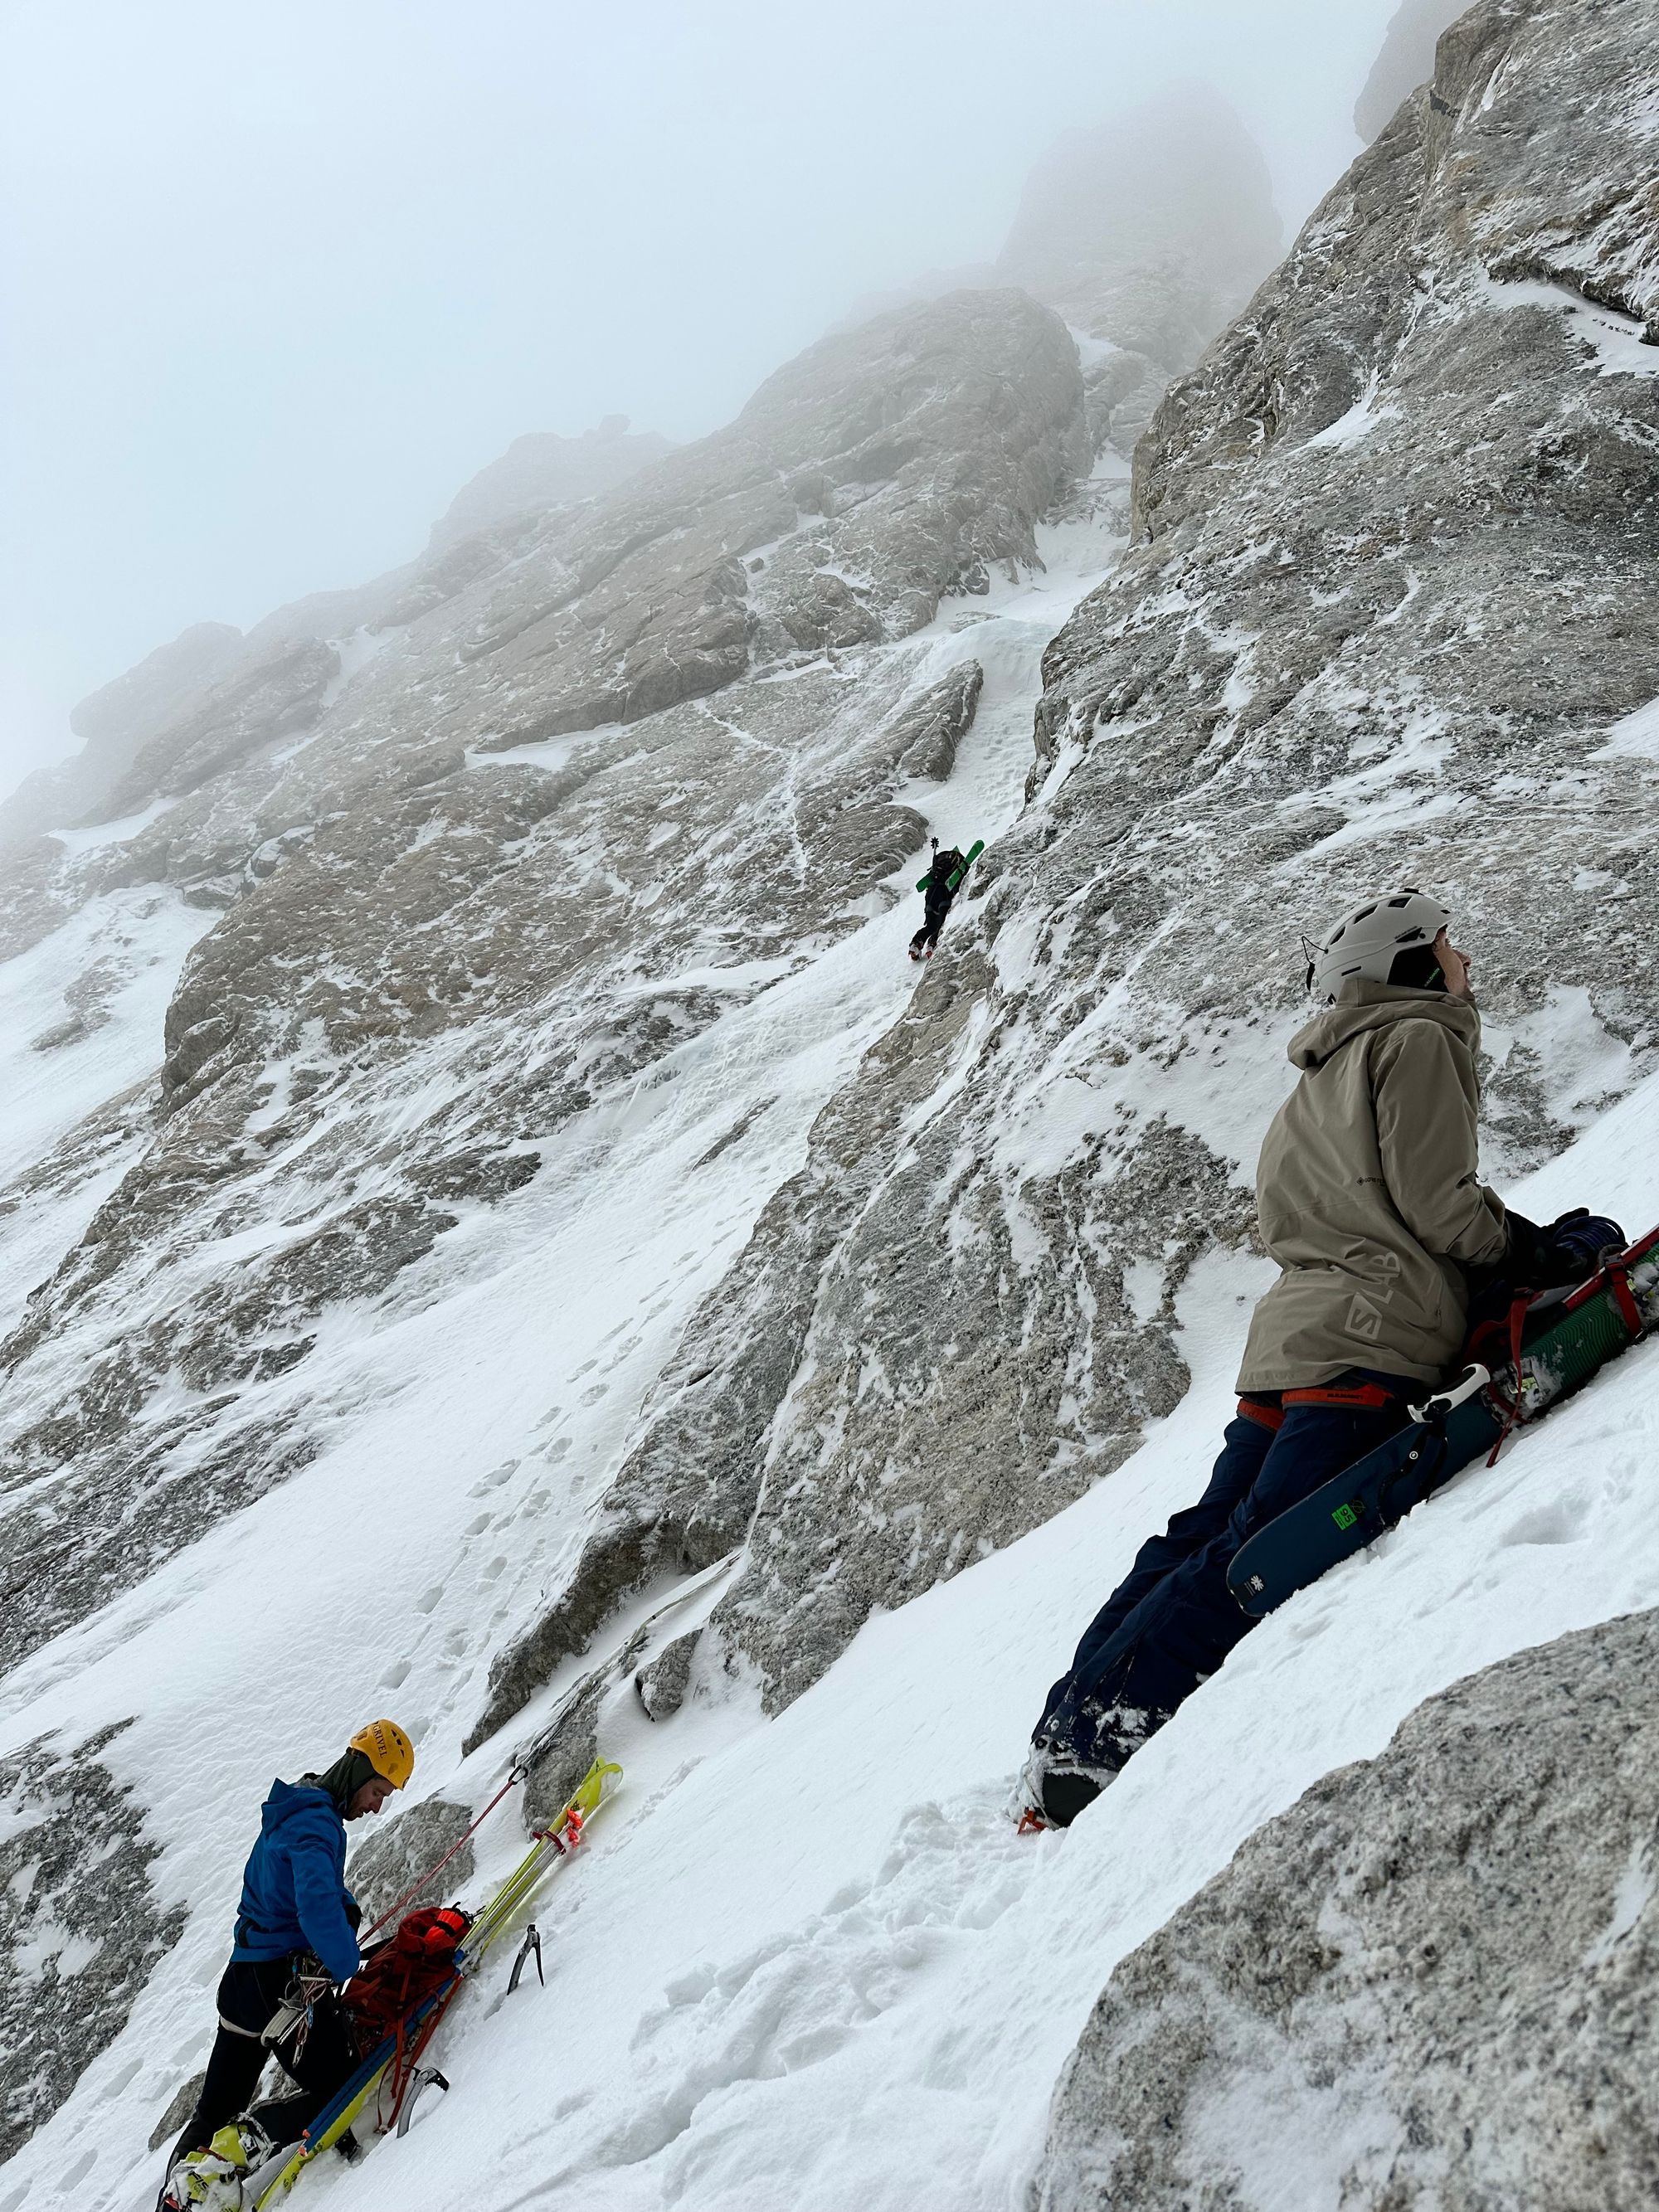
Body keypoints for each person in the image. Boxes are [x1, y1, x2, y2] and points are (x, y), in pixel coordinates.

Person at [1019, 891, 1593, 1830]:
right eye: (1445, 945)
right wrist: (1535, 1252)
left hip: (1290, 1344)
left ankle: (1063, 1728)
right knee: (1257, 1547)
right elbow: (1438, 1205)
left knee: (1195, 1536)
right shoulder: (1413, 1041)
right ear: (1405, 964)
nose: (1459, 959)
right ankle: (1094, 1751)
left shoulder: (1311, 1082)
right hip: (1369, 1342)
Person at [163, 1719, 414, 2198]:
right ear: (359, 1770)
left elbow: (301, 1884)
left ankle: (175, 2199)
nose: (378, 1805)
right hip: (281, 1988)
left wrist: (343, 1903)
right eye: (379, 1791)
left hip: (242, 1980)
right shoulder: (317, 1824)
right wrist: (349, 1969)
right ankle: (244, 2143)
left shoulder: (297, 1803)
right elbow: (315, 1906)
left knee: (213, 2108)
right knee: (343, 2088)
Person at [910, 838, 967, 961]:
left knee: (930, 925)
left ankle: (915, 944)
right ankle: (932, 944)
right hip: (944, 895)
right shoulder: (954, 869)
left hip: (930, 895)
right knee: (941, 923)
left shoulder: (936, 869)